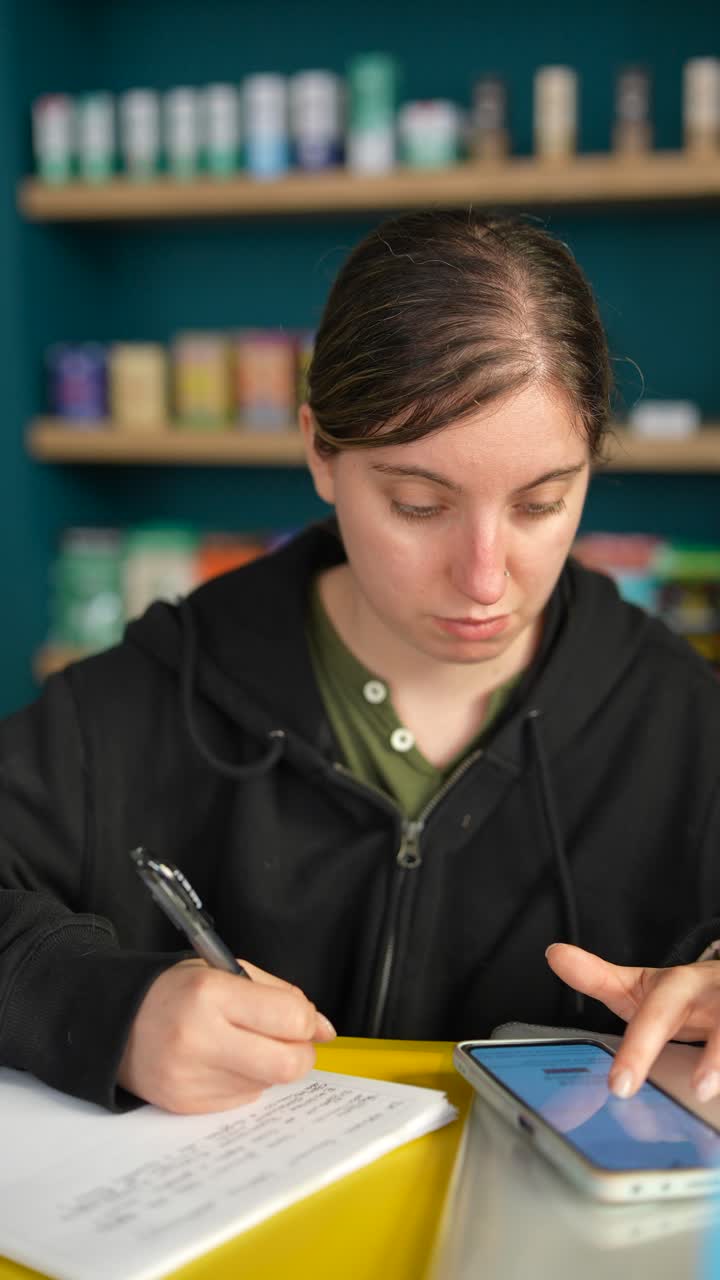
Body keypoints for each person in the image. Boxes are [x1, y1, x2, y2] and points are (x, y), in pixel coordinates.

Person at [1, 209, 720, 1118]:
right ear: (320, 452)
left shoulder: (683, 718)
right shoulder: (148, 696)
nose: (485, 579)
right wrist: (106, 1011)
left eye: (541, 503)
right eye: (419, 504)